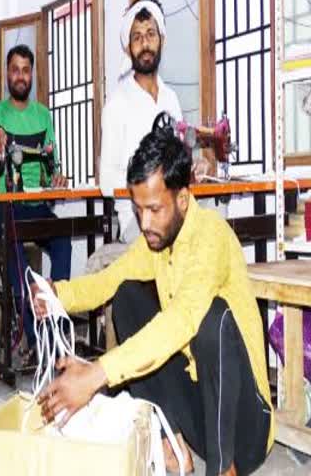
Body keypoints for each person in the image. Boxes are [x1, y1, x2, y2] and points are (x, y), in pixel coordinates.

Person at [32, 131, 273, 476]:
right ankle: (171, 444)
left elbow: (180, 321)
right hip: (201, 412)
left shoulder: (211, 236)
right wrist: (59, 295)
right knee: (129, 295)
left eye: (154, 209)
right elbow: (109, 279)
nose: (144, 223)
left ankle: (223, 469)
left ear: (184, 199)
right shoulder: (157, 240)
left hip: (245, 429)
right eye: (138, 209)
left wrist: (97, 374)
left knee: (210, 319)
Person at [0, 44, 71, 362]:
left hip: (37, 206)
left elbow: (51, 166)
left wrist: (57, 177)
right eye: (15, 69)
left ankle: (56, 324)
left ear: (32, 74)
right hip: (8, 207)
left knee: (63, 238)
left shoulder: (43, 116)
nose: (20, 75)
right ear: (7, 74)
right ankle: (35, 340)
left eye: (25, 69)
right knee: (21, 258)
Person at [99, 0, 182, 243]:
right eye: (137, 37)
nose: (145, 43)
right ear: (128, 48)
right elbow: (106, 183)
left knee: (214, 230)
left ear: (162, 40)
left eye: (150, 34)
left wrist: (195, 168)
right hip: (138, 220)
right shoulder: (117, 104)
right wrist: (149, 187)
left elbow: (179, 160)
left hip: (174, 213)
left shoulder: (171, 99)